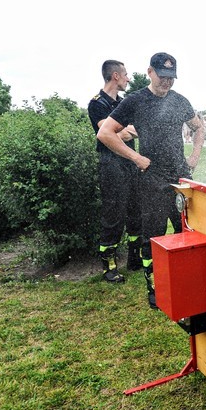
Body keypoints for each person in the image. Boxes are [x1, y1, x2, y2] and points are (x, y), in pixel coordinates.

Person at [97, 52, 206, 309]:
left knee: (186, 231)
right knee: (154, 235)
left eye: (171, 78)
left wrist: (195, 156)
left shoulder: (180, 101)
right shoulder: (135, 101)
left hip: (180, 176)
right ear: (149, 72)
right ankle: (155, 286)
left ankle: (187, 280)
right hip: (152, 177)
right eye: (162, 77)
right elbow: (105, 133)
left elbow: (198, 127)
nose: (166, 82)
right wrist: (135, 157)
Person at [87, 60, 142, 283]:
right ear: (116, 76)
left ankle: (135, 258)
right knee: (113, 215)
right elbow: (107, 134)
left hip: (130, 162)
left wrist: (121, 133)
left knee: (136, 211)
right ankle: (109, 266)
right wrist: (121, 132)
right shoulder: (96, 104)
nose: (129, 78)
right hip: (110, 165)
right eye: (126, 74)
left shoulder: (124, 103)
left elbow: (132, 132)